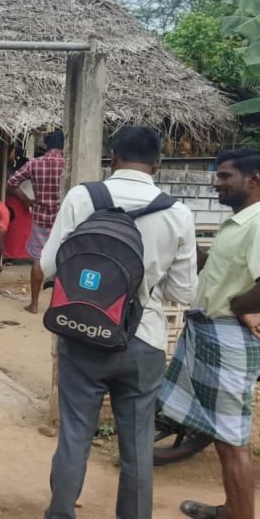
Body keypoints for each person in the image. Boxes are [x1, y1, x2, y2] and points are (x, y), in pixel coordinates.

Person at [39, 126, 197, 519]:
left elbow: (48, 265)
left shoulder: (83, 197)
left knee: (75, 434)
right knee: (138, 446)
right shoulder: (177, 212)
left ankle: (61, 512)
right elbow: (183, 292)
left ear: (113, 158)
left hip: (84, 332)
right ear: (158, 164)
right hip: (145, 340)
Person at [161, 148, 260, 519]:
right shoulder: (238, 223)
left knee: (233, 441)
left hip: (226, 335)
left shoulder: (257, 224)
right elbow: (219, 271)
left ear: (254, 180)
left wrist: (238, 305)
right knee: (223, 434)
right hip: (213, 332)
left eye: (224, 176)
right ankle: (233, 510)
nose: (216, 183)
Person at [7, 131, 66, 314]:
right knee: (65, 259)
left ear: (45, 146)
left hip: (41, 218)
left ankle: (34, 304)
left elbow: (12, 182)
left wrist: (27, 201)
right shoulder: (67, 164)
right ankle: (59, 305)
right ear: (63, 145)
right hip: (64, 218)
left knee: (39, 259)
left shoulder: (34, 164)